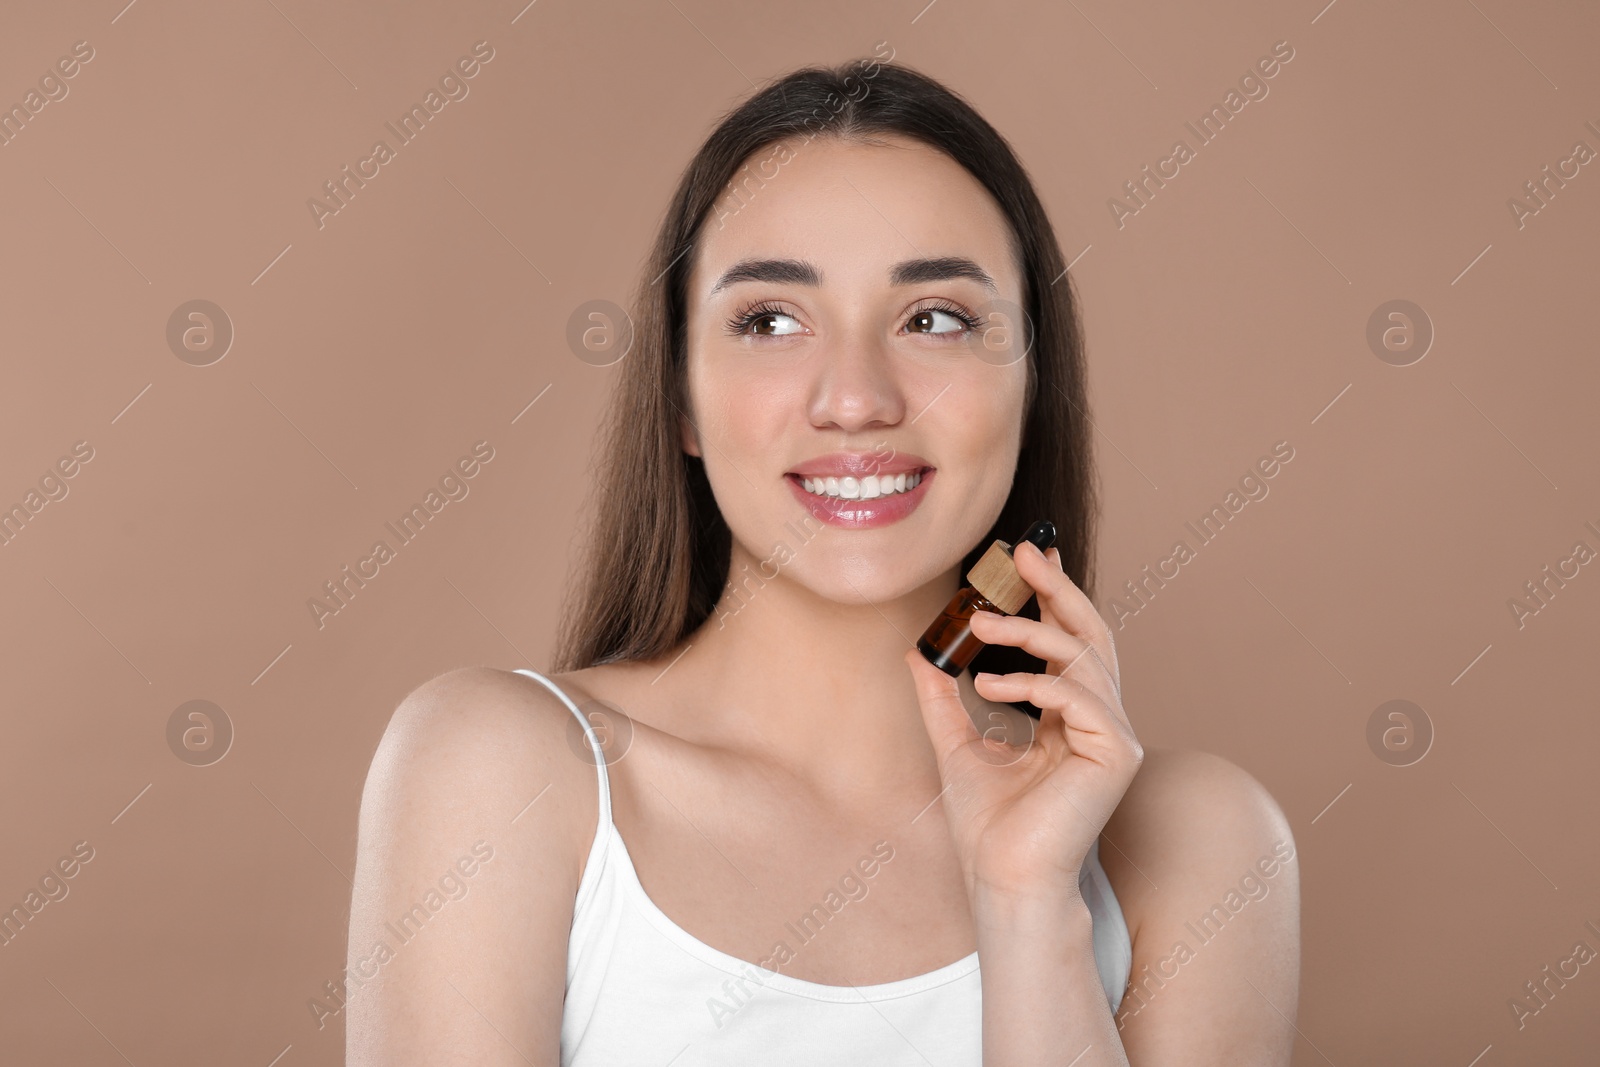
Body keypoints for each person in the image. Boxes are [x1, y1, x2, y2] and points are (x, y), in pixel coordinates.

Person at [346, 55, 1299, 1066]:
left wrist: (1028, 908)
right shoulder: (497, 770)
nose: (854, 397)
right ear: (679, 397)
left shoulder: (1200, 846)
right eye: (770, 320)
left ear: (1031, 383)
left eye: (934, 317)